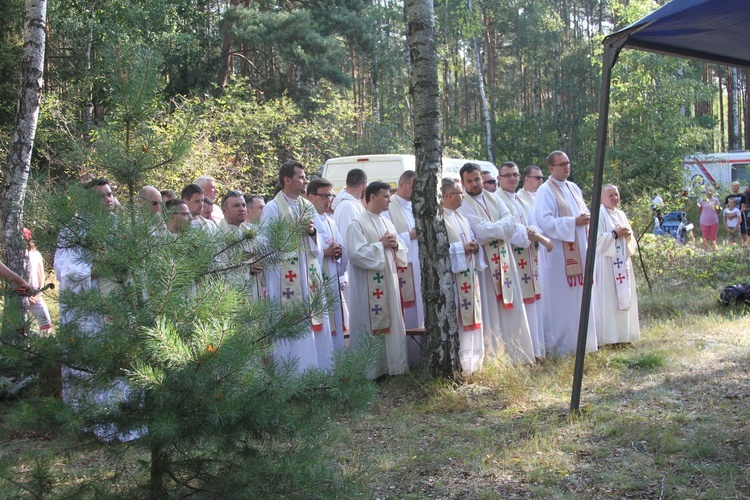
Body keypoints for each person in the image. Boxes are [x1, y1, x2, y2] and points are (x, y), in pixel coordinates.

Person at [54, 178, 142, 442]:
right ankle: (90, 420)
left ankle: (123, 415)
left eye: (110, 194)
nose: (107, 200)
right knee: (90, 364)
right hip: (88, 309)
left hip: (117, 305)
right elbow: (65, 270)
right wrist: (97, 270)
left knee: (120, 360)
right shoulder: (73, 229)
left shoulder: (117, 226)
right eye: (100, 196)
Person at [456, 163, 535, 364]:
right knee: (490, 307)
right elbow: (480, 232)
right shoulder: (462, 203)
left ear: (482, 178)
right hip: (484, 266)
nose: (474, 184)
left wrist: (495, 229)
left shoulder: (494, 198)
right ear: (463, 183)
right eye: (469, 181)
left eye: (476, 179)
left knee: (510, 305)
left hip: (504, 259)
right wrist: (499, 229)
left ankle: (516, 354)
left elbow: (510, 223)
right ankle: (493, 356)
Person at [261, 160, 332, 371]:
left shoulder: (306, 206)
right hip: (286, 281)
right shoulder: (272, 208)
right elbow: (265, 243)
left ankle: (316, 370)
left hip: (308, 276)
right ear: (287, 180)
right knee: (292, 326)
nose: (304, 181)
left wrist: (311, 233)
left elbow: (318, 241)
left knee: (312, 322)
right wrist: (291, 230)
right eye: (301, 177)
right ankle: (291, 373)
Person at [534, 151, 597, 358]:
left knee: (579, 300)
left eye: (568, 163)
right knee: (560, 302)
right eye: (561, 164)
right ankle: (559, 348)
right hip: (559, 258)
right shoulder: (545, 191)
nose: (566, 167)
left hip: (580, 252)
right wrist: (573, 222)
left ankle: (581, 343)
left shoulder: (573, 187)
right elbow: (544, 221)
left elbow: (583, 214)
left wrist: (584, 220)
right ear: (551, 168)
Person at [345, 181, 409, 379]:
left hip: (388, 283)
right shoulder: (357, 224)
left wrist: (395, 245)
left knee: (392, 322)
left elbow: (402, 248)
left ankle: (393, 367)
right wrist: (380, 246)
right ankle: (371, 371)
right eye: (386, 196)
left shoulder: (387, 222)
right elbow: (356, 254)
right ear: (372, 197)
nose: (390, 200)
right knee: (369, 323)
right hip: (368, 288)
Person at [494, 161, 553, 359]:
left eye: (515, 175)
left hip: (529, 260)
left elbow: (534, 224)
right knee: (517, 306)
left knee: (532, 305)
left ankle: (536, 350)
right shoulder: (496, 200)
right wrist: (532, 235)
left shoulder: (522, 201)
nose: (512, 179)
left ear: (520, 178)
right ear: (499, 179)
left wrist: (533, 232)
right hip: (510, 261)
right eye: (507, 175)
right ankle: (519, 353)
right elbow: (510, 231)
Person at [442, 178, 485, 375]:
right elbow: (438, 250)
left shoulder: (461, 218)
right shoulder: (440, 219)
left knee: (469, 316)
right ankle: (457, 361)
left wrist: (473, 246)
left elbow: (468, 241)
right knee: (458, 318)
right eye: (460, 193)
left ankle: (472, 362)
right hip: (453, 279)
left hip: (468, 276)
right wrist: (462, 248)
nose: (463, 197)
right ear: (449, 196)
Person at [382, 170, 424, 366]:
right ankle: (407, 356)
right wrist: (410, 235)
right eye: (413, 186)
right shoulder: (388, 207)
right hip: (403, 266)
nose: (416, 190)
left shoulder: (420, 205)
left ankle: (421, 354)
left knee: (421, 309)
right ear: (401, 185)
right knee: (407, 311)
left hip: (420, 266)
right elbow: (385, 235)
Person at [594, 185, 640, 345]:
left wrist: (627, 234)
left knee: (624, 297)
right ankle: (609, 338)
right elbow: (596, 241)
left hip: (622, 263)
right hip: (606, 265)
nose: (614, 198)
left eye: (616, 194)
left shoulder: (621, 214)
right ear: (601, 198)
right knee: (609, 300)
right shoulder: (598, 214)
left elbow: (631, 239)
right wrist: (614, 234)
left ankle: (624, 336)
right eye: (610, 195)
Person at [307, 179, 348, 351]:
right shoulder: (307, 220)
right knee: (322, 323)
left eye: (330, 195)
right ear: (310, 196)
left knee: (335, 323)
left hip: (331, 277)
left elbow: (341, 247)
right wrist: (325, 252)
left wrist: (339, 252)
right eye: (324, 195)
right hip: (315, 279)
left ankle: (337, 361)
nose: (328, 200)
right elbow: (305, 252)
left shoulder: (330, 221)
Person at [216, 190, 265, 300]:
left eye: (243, 205)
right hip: (232, 298)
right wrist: (247, 268)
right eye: (236, 206)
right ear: (224, 211)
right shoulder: (218, 235)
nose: (242, 209)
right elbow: (218, 270)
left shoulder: (249, 232)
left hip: (253, 293)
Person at [332, 168, 367, 306]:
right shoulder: (347, 206)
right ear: (364, 184)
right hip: (351, 267)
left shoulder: (353, 203)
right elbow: (348, 240)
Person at [23, 229, 52, 334]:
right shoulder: (12, 255)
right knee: (17, 327)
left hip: (35, 294)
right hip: (19, 294)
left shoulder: (36, 254)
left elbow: (41, 277)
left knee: (46, 325)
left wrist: (38, 295)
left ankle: (41, 346)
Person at [724, 181, 748, 247]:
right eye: (733, 186)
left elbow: (743, 208)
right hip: (730, 219)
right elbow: (727, 208)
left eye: (736, 186)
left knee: (743, 233)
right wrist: (729, 216)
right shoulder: (728, 197)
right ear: (731, 187)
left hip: (740, 217)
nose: (734, 187)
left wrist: (735, 215)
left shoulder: (743, 196)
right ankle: (732, 249)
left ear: (739, 187)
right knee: (730, 234)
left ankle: (746, 247)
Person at [698, 187, 721, 251]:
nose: (709, 192)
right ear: (706, 192)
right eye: (708, 190)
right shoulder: (702, 200)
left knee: (713, 237)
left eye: (711, 191)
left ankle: (713, 250)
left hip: (714, 221)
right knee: (705, 237)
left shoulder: (716, 200)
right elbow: (699, 211)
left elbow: (718, 210)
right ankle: (705, 250)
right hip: (704, 221)